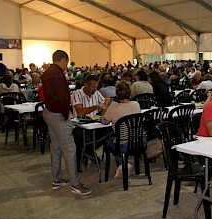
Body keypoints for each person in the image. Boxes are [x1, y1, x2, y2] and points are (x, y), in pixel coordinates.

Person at [41, 50, 91, 195]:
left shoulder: (47, 73)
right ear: (63, 59)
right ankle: (75, 184)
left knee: (55, 147)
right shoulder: (57, 74)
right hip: (58, 115)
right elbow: (61, 97)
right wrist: (66, 114)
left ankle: (56, 180)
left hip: (48, 112)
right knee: (70, 150)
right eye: (66, 62)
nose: (66, 66)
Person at [101, 82, 141, 178]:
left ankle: (122, 164)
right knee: (118, 140)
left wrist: (105, 106)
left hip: (123, 144)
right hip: (139, 141)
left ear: (116, 94)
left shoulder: (112, 109)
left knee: (108, 142)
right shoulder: (136, 104)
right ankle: (124, 164)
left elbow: (104, 121)